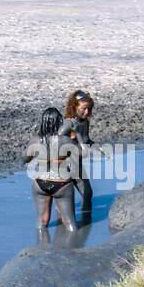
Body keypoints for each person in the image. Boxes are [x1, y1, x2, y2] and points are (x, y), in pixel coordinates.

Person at [24, 107, 77, 231]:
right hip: (62, 183)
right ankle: (74, 248)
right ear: (59, 122)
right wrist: (75, 133)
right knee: (69, 223)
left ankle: (42, 248)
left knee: (41, 221)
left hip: (40, 182)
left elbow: (25, 159)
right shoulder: (65, 140)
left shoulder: (35, 140)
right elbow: (81, 154)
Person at [61, 89, 95, 221]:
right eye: (84, 109)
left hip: (77, 162)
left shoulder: (84, 122)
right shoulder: (69, 123)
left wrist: (97, 146)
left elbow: (87, 140)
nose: (87, 112)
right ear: (74, 107)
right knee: (77, 194)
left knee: (87, 194)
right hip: (68, 163)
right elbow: (56, 140)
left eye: (89, 109)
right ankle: (84, 222)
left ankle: (86, 220)